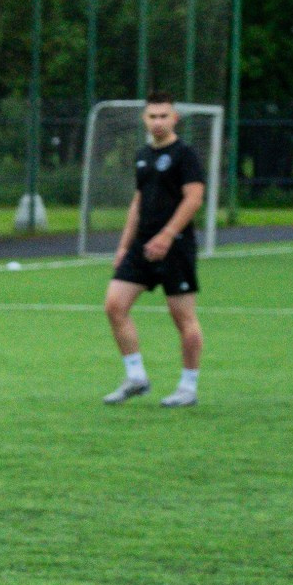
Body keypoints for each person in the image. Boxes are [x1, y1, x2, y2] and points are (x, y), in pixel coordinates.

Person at [101, 93, 207, 408]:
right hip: (141, 245)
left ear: (174, 119)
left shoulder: (185, 154)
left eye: (163, 116)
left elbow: (194, 198)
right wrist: (123, 246)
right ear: (144, 120)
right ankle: (136, 377)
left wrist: (167, 235)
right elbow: (138, 201)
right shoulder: (142, 155)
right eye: (152, 116)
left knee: (183, 318)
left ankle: (188, 387)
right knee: (114, 305)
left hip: (174, 247)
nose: (157, 122)